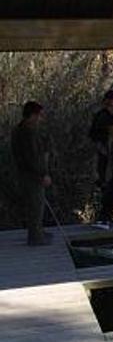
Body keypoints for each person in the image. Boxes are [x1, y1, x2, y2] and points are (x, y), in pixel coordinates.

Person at [11, 101, 53, 246]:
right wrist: (43, 175)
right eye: (39, 116)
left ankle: (38, 231)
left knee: (37, 204)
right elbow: (31, 158)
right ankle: (35, 237)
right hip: (31, 176)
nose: (40, 119)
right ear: (32, 115)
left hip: (29, 174)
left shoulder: (25, 129)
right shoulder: (26, 132)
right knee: (36, 206)